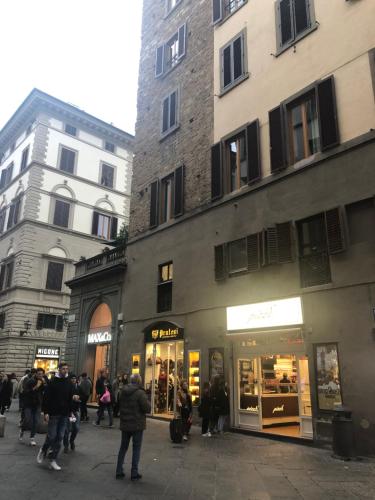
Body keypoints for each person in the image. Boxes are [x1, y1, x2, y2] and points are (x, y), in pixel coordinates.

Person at [37, 362, 79, 471]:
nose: (66, 371)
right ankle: (44, 449)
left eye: (67, 369)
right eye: (63, 369)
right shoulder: (52, 382)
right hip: (54, 413)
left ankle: (53, 459)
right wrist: (45, 412)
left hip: (64, 414)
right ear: (59, 369)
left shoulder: (69, 383)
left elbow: (71, 396)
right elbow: (46, 398)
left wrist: (74, 399)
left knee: (60, 437)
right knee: (52, 436)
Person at [115, 373, 151, 480]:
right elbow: (147, 408)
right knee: (136, 448)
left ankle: (119, 470)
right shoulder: (140, 393)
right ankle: (134, 473)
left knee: (123, 447)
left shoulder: (123, 391)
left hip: (125, 423)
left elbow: (119, 403)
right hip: (137, 425)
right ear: (139, 381)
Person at [19, 367, 46, 446]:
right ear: (35, 374)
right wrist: (35, 387)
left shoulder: (42, 381)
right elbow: (26, 392)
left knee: (36, 421)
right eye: (39, 374)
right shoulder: (30, 381)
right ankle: (22, 429)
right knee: (27, 419)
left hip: (37, 404)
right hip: (29, 404)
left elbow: (45, 391)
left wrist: (44, 384)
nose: (40, 375)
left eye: (42, 374)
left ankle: (32, 438)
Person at [63, 374, 81, 453]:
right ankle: (66, 445)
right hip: (68, 412)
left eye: (74, 378)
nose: (73, 380)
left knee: (76, 428)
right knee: (66, 430)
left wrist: (79, 398)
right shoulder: (66, 388)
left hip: (75, 411)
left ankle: (71, 441)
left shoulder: (78, 388)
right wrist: (72, 398)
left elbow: (83, 396)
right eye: (72, 378)